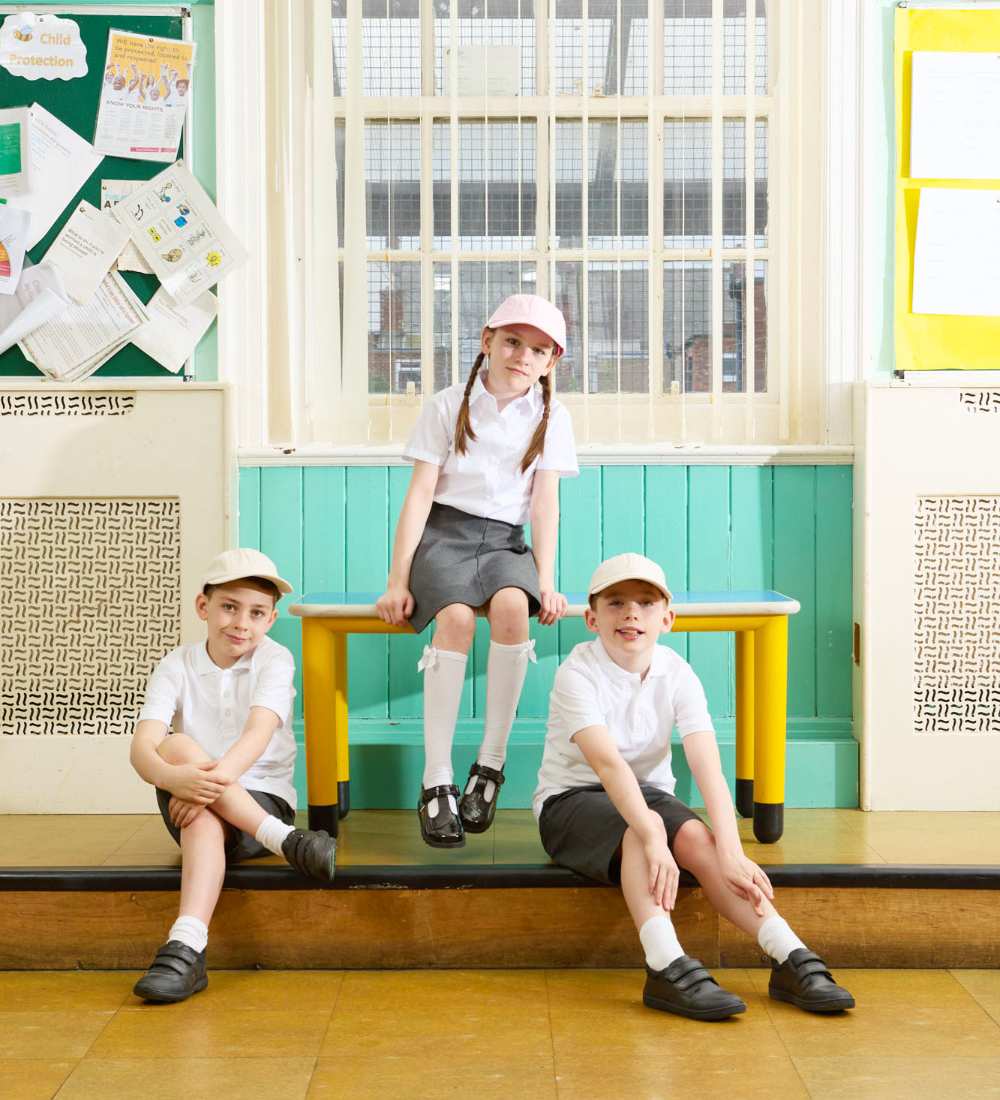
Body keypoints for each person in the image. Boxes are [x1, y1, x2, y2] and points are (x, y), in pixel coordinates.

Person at [534, 553, 855, 1021]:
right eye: (616, 603)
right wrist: (649, 834)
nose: (631, 614)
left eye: (646, 603)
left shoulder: (677, 672)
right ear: (591, 617)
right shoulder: (576, 673)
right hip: (571, 802)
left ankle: (787, 954)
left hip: (647, 793)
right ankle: (665, 965)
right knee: (639, 833)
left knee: (699, 840)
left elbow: (707, 765)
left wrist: (730, 848)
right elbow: (608, 766)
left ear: (667, 618)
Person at [377, 293, 578, 848]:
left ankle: (489, 767)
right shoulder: (447, 405)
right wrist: (397, 579)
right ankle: (435, 777)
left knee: (515, 608)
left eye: (538, 350)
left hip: (505, 544)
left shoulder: (552, 416)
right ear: (487, 341)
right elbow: (419, 496)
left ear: (550, 362)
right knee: (458, 620)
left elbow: (545, 503)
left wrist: (546, 580)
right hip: (445, 536)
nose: (522, 356)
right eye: (512, 341)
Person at [129, 549, 338, 1003]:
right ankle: (287, 842)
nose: (241, 622)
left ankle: (185, 947)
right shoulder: (175, 666)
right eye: (229, 607)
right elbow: (142, 749)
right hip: (205, 803)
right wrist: (173, 778)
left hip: (261, 798)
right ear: (204, 607)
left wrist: (204, 788)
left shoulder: (274, 659)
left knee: (202, 811)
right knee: (177, 747)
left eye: (256, 612)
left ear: (271, 619)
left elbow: (258, 733)